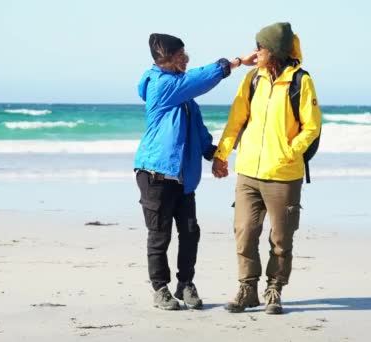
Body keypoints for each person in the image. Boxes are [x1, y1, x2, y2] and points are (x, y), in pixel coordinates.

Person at [135, 33, 255, 310]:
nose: (186, 59)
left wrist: (215, 155)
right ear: (165, 58)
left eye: (185, 54)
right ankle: (160, 288)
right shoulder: (161, 84)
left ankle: (185, 283)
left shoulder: (186, 99)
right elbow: (200, 79)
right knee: (160, 234)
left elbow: (200, 135)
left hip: (184, 179)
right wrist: (236, 62)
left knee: (190, 232)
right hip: (155, 174)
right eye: (180, 55)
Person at [212, 22, 322, 314]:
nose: (255, 51)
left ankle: (275, 289)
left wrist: (289, 152)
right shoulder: (252, 79)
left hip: (284, 175)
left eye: (260, 47)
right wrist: (222, 155)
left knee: (281, 238)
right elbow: (236, 120)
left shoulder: (301, 81)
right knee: (245, 231)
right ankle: (247, 288)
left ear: (273, 51)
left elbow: (311, 127)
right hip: (248, 171)